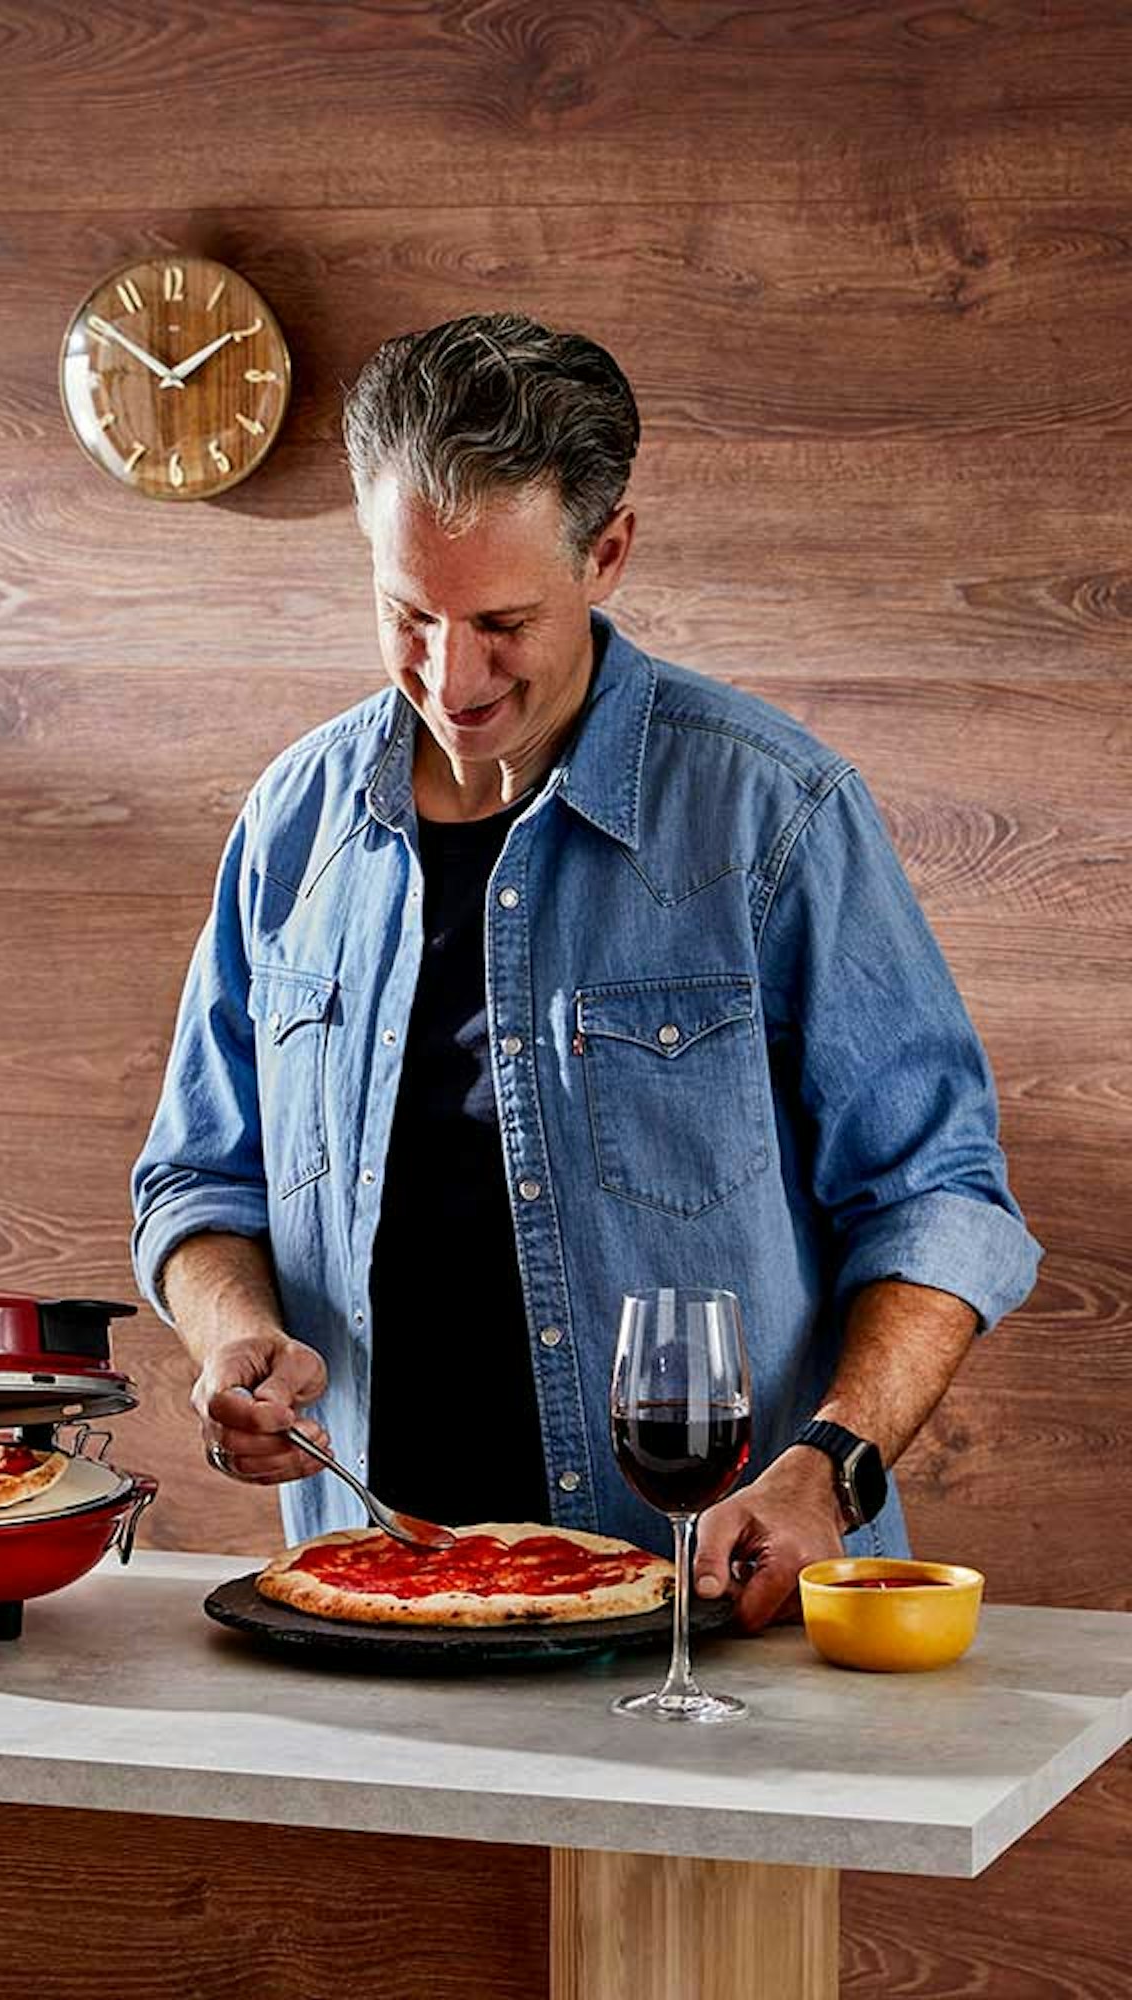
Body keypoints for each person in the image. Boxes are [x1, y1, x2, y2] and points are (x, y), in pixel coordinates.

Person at [129, 311, 1040, 1632]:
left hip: (714, 1602)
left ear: (607, 552)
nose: (449, 676)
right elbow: (201, 1178)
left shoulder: (769, 812)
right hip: (368, 1599)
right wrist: (230, 1339)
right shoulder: (292, 823)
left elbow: (939, 1199)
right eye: (406, 613)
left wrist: (827, 1475)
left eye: (502, 621)